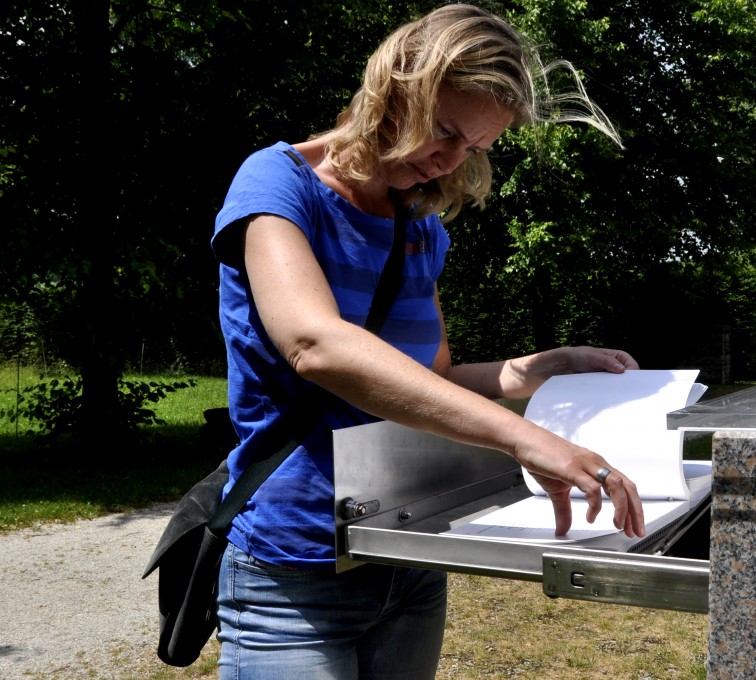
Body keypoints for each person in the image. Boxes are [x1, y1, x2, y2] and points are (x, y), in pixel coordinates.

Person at [211, 3, 646, 678]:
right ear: (397, 83)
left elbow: (432, 380)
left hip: (407, 558)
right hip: (294, 575)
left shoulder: (420, 228)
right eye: (444, 131)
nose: (449, 161)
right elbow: (315, 344)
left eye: (471, 149)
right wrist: (525, 438)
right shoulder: (275, 184)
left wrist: (552, 367)